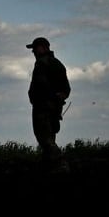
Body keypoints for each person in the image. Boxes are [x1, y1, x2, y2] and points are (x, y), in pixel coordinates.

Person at [26, 36, 71, 171]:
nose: (33, 52)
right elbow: (66, 89)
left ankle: (61, 163)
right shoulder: (58, 64)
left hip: (43, 108)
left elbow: (41, 87)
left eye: (35, 48)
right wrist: (58, 98)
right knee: (49, 138)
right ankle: (48, 168)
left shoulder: (41, 64)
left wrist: (47, 99)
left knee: (45, 139)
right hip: (53, 108)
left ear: (43, 48)